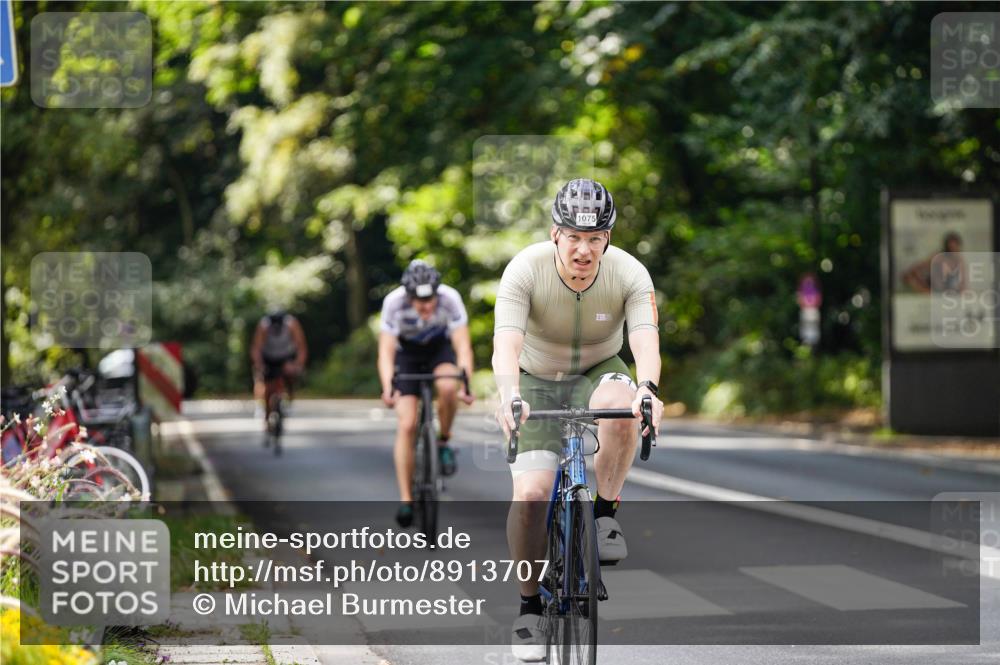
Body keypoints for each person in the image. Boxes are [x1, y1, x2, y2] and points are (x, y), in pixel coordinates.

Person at [492, 178, 664, 661]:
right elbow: (505, 343)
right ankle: (528, 607)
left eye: (594, 239)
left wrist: (647, 389)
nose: (584, 250)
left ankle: (605, 516)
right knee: (530, 496)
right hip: (535, 376)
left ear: (607, 238)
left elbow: (645, 341)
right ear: (555, 234)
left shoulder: (630, 273)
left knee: (623, 408)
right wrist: (508, 395)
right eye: (573, 237)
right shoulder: (524, 270)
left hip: (599, 369)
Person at [378, 259, 475, 528]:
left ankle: (443, 440)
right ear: (408, 296)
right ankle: (407, 499)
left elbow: (462, 347)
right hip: (406, 354)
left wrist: (465, 384)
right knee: (407, 423)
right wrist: (388, 387)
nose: (427, 306)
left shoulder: (450, 299)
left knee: (447, 386)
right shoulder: (393, 303)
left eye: (430, 300)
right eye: (420, 302)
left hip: (438, 350)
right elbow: (386, 351)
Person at [250, 309, 308, 427]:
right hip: (269, 356)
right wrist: (259, 364)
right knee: (264, 382)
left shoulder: (291, 324)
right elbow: (256, 348)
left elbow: (301, 347)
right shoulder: (264, 326)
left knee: (290, 378)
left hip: (287, 356)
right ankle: (263, 410)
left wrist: (297, 364)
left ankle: (289, 403)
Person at [902, 232, 968, 294]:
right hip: (932, 284)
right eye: (951, 247)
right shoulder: (939, 256)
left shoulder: (959, 260)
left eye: (955, 247)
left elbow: (962, 281)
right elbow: (921, 265)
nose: (953, 249)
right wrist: (911, 274)